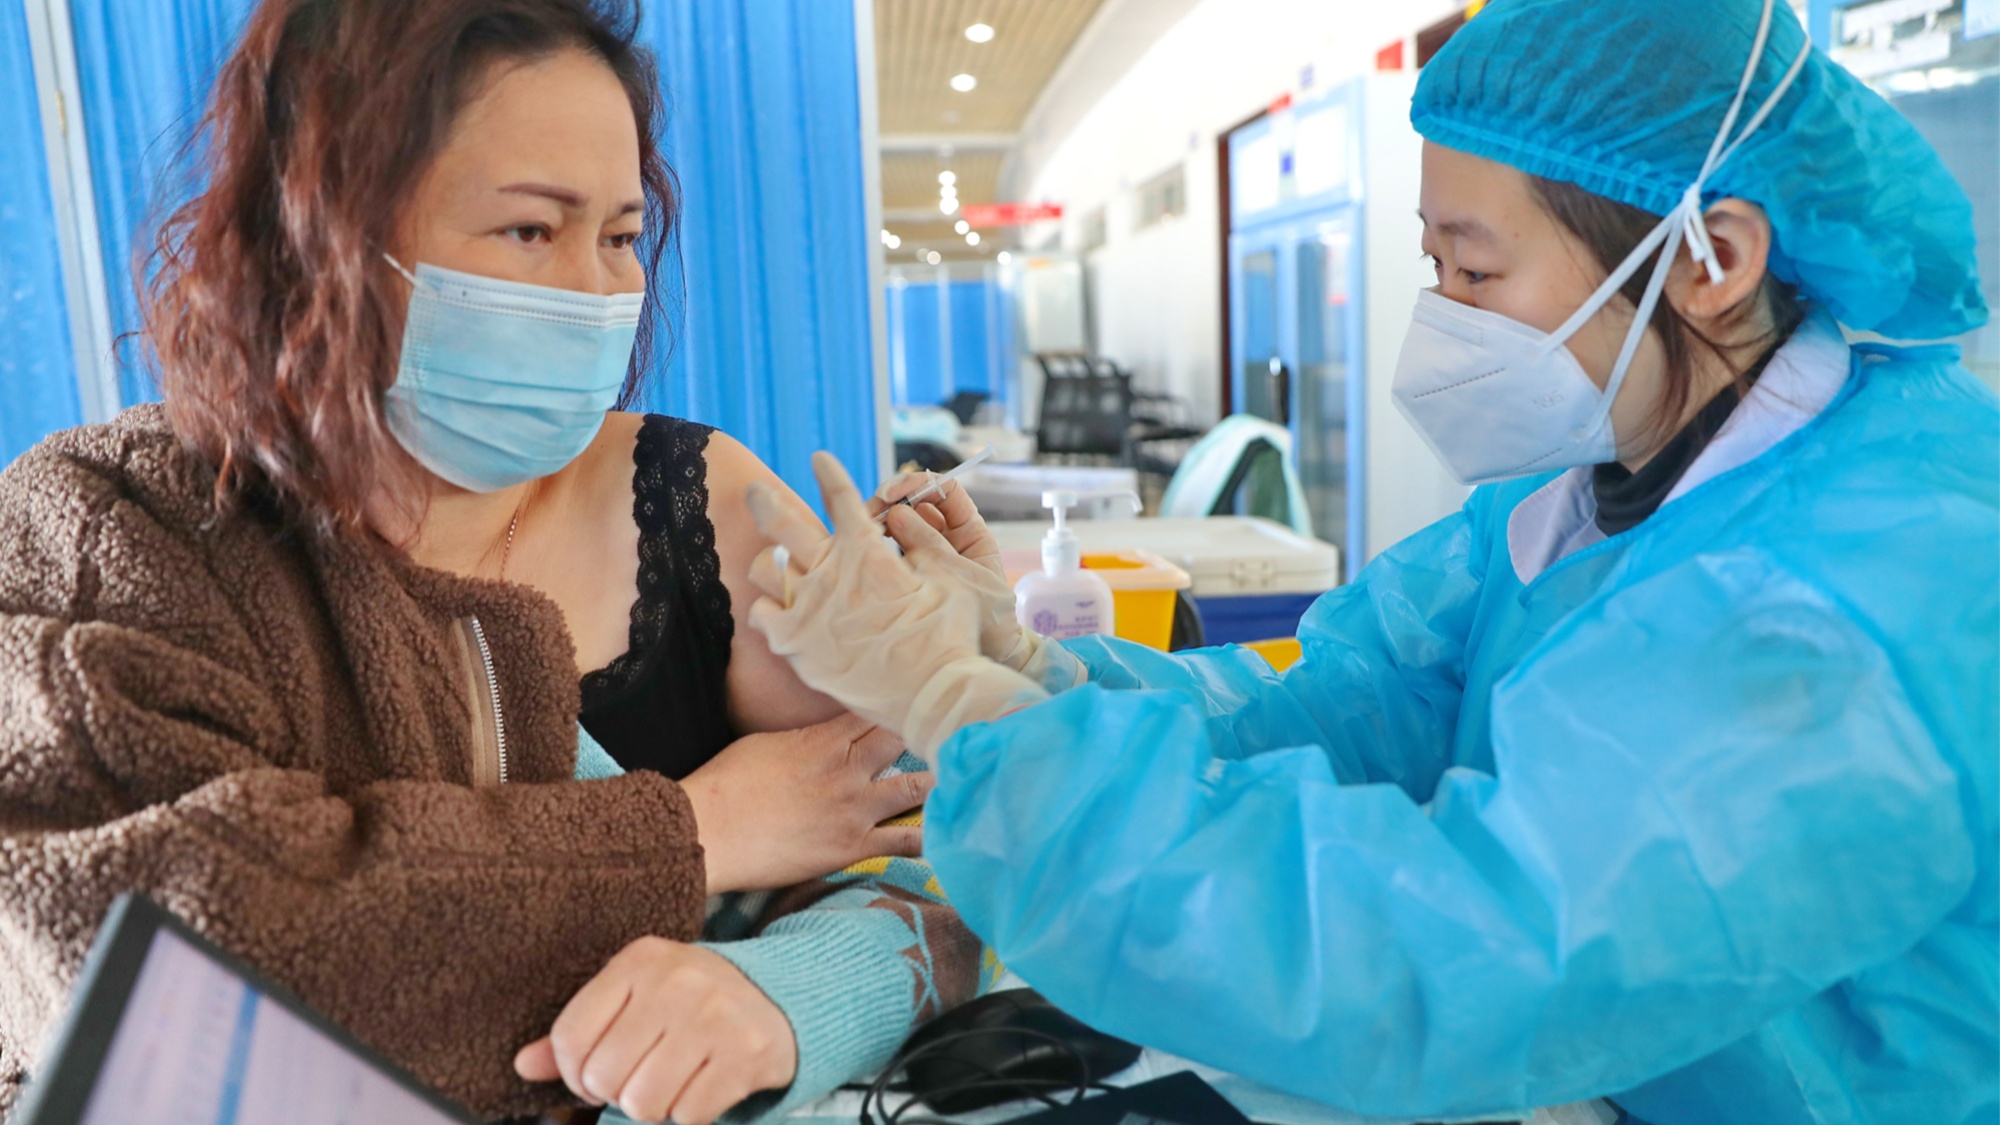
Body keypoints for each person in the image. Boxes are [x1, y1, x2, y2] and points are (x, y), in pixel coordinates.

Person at [740, 1, 1998, 1122]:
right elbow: (1330, 715)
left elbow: (1446, 958)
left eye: (1476, 268)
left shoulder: (1849, 599)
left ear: (1708, 259)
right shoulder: (1578, 499)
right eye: (1431, 263)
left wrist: (957, 712)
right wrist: (1018, 669)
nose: (1438, 314)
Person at [0, 2, 987, 1123]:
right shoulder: (112, 529)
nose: (596, 294)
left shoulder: (697, 502)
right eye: (529, 230)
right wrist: (694, 833)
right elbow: (140, 963)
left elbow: (943, 858)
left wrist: (792, 993)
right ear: (321, 234)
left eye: (619, 236)